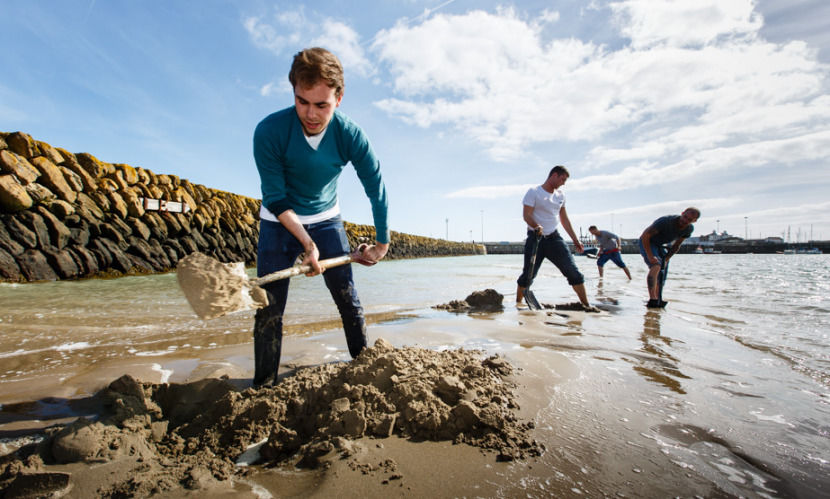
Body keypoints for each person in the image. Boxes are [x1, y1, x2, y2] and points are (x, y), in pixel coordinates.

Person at [252, 47, 390, 387]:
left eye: (321, 105)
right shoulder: (269, 131)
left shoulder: (350, 134)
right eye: (302, 102)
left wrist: (382, 243)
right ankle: (264, 385)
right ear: (294, 92)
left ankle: (363, 370)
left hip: (327, 219)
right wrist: (307, 244)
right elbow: (275, 196)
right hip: (278, 220)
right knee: (269, 310)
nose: (310, 114)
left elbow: (375, 186)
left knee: (348, 298)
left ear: (339, 99)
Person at [516, 165, 592, 309]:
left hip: (554, 239)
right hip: (535, 239)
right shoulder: (534, 192)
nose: (563, 183)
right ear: (554, 175)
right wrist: (536, 225)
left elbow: (564, 219)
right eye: (562, 179)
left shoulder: (560, 196)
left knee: (573, 272)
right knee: (527, 276)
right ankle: (518, 304)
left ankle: (586, 305)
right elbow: (526, 215)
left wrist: (576, 240)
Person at [639, 207, 700, 308]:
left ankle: (658, 298)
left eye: (689, 220)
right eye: (685, 217)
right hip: (648, 241)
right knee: (656, 265)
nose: (685, 221)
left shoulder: (688, 229)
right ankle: (653, 299)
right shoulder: (665, 221)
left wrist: (667, 259)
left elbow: (676, 245)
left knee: (663, 269)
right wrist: (650, 255)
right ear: (682, 213)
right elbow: (645, 235)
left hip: (660, 245)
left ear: (694, 221)